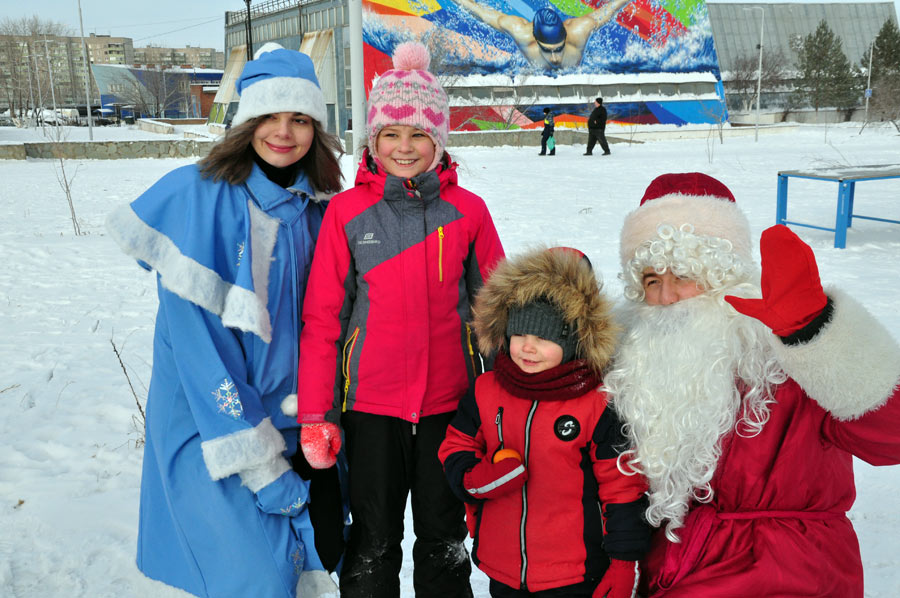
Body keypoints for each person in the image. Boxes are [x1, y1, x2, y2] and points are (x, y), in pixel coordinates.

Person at [105, 43, 344, 598]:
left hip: (299, 425)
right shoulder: (199, 200)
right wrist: (259, 463)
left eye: (300, 119)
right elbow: (199, 351)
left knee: (302, 567)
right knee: (253, 575)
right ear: (246, 122)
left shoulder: (323, 207)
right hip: (216, 425)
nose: (283, 133)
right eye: (269, 117)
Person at [603, 172, 900, 597]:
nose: (666, 297)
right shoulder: (629, 365)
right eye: (652, 281)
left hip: (789, 576)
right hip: (668, 573)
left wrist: (816, 335)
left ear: (726, 277)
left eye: (684, 275)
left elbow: (892, 437)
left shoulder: (793, 357)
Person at [295, 41, 506, 598]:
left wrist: (506, 403)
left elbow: (496, 317)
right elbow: (322, 321)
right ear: (374, 140)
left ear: (439, 140)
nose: (405, 147)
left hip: (449, 409)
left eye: (419, 134)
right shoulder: (346, 212)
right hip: (371, 410)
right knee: (371, 543)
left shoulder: (469, 212)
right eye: (391, 133)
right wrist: (318, 413)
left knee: (443, 541)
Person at [439, 246, 652, 598]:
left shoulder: (596, 402)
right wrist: (474, 477)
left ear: (574, 340)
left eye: (544, 338)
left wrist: (623, 561)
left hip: (575, 573)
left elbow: (622, 488)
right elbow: (455, 445)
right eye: (520, 334)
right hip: (502, 566)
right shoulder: (486, 390)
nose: (528, 348)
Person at [455, 0, 630, 69]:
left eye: (558, 48)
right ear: (536, 41)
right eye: (547, 50)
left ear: (566, 38)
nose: (554, 58)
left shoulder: (579, 31)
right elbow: (481, 12)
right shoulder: (521, 33)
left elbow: (611, 8)